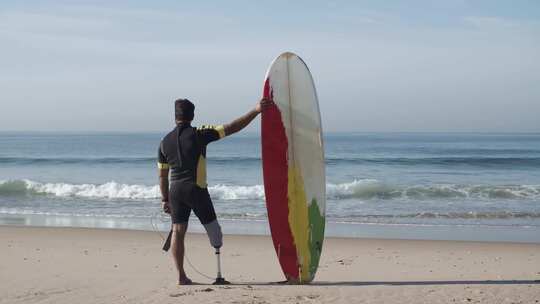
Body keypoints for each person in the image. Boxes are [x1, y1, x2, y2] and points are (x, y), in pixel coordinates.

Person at [158, 97, 272, 285]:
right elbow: (232, 127)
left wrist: (165, 199)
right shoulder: (199, 133)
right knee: (215, 232)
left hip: (175, 190)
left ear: (175, 116)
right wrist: (256, 110)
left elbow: (162, 175)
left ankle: (181, 276)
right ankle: (218, 276)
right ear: (192, 115)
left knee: (177, 230)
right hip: (196, 190)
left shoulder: (164, 142)